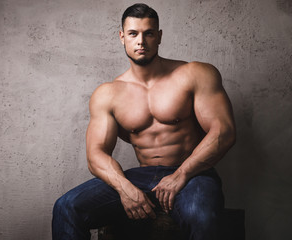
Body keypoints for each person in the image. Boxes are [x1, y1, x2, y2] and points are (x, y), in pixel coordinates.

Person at [52, 3, 236, 240]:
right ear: (122, 37)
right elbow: (95, 153)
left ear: (159, 37)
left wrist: (180, 175)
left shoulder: (195, 74)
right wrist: (124, 187)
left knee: (199, 215)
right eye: (133, 34)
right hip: (140, 177)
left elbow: (224, 131)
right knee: (66, 207)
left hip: (193, 175)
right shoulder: (109, 93)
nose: (141, 41)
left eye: (148, 33)